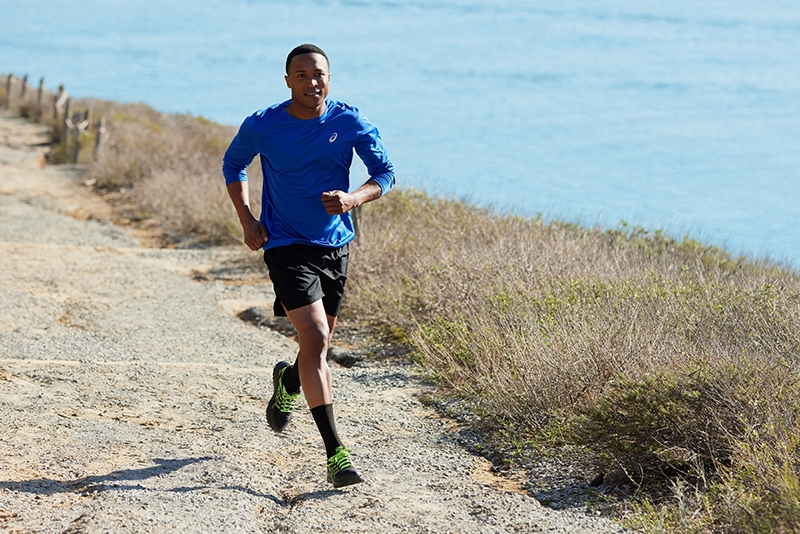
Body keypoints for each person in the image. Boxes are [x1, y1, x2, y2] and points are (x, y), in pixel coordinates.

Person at [221, 44, 395, 488]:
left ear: (329, 78)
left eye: (318, 74)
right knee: (316, 337)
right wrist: (247, 220)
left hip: (335, 246)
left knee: (314, 348)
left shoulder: (348, 121)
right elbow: (233, 163)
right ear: (287, 81)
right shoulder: (263, 125)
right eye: (301, 75)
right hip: (283, 242)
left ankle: (287, 382)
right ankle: (336, 453)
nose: (310, 81)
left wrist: (353, 199)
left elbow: (386, 173)